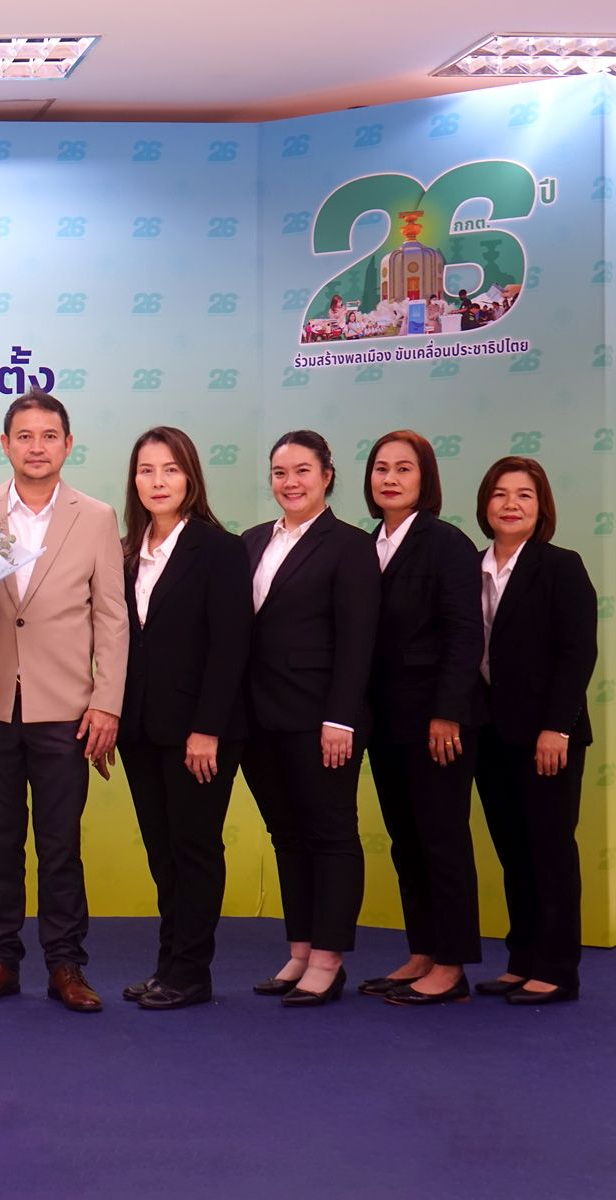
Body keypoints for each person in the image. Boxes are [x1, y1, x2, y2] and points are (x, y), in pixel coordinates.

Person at [0, 389, 127, 1014]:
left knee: (60, 846)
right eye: (24, 436)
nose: (37, 447)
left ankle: (67, 965)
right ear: (5, 444)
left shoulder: (95, 517)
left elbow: (112, 618)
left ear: (68, 444)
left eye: (49, 436)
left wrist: (107, 702)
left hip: (66, 709)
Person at [113, 427, 251, 1010]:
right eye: (147, 470)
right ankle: (168, 963)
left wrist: (207, 728)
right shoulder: (127, 551)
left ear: (191, 476)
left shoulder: (220, 549)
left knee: (195, 848)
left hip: (200, 732)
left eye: (170, 469)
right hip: (141, 729)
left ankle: (191, 972)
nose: (158, 481)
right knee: (162, 852)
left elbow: (231, 646)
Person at [241, 431, 378, 1007]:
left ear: (327, 475)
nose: (290, 482)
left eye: (302, 470)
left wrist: (340, 718)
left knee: (331, 835)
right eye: (280, 472)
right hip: (257, 718)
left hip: (321, 719)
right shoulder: (251, 541)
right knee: (287, 835)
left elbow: (358, 639)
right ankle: (299, 950)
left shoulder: (350, 545)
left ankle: (328, 959)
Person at [356, 432, 484, 1005]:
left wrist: (448, 712)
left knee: (441, 838)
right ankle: (423, 950)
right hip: (385, 721)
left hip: (437, 723)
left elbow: (465, 634)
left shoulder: (446, 543)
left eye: (404, 469)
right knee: (406, 841)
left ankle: (452, 966)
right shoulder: (366, 545)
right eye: (381, 468)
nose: (390, 478)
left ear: (425, 478)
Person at [473, 457, 596, 1004]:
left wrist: (556, 728)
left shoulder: (561, 566)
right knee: (513, 852)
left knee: (550, 850)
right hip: (490, 734)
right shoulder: (471, 569)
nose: (511, 504)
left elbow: (577, 653)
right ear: (485, 504)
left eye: (524, 495)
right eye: (500, 494)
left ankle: (558, 968)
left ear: (541, 506)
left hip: (548, 737)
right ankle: (521, 958)